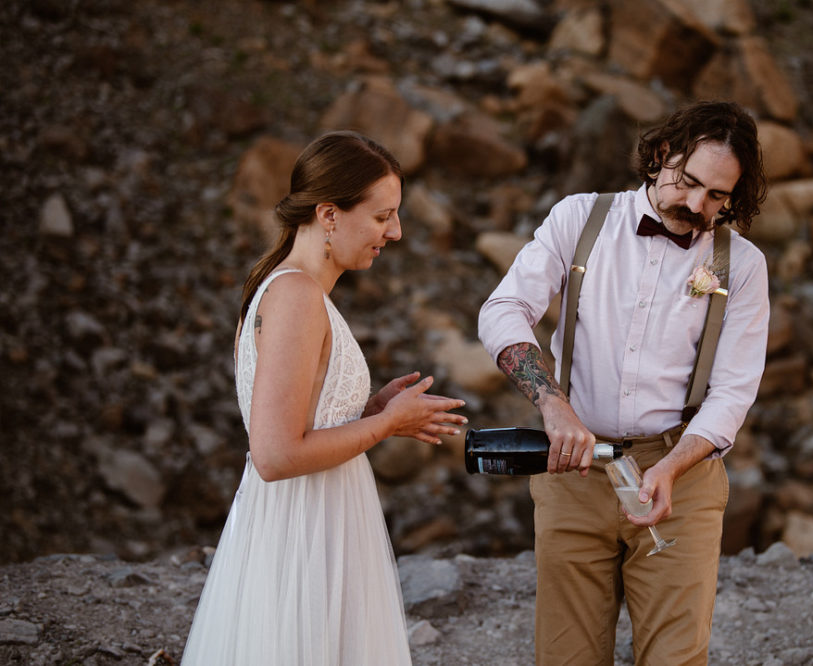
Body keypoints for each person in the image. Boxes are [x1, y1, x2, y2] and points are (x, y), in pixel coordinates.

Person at [478, 101, 769, 665]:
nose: (696, 205)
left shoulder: (743, 265)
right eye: (688, 183)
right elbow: (504, 309)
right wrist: (551, 403)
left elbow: (733, 390)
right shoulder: (579, 218)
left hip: (679, 479)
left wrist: (672, 468)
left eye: (717, 196)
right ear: (662, 155)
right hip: (572, 470)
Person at [181, 131, 467, 666]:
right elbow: (275, 454)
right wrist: (384, 428)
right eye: (383, 216)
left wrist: (370, 411)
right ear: (329, 214)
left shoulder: (286, 287)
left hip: (314, 525)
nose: (396, 232)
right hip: (303, 536)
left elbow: (303, 419)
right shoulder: (294, 296)